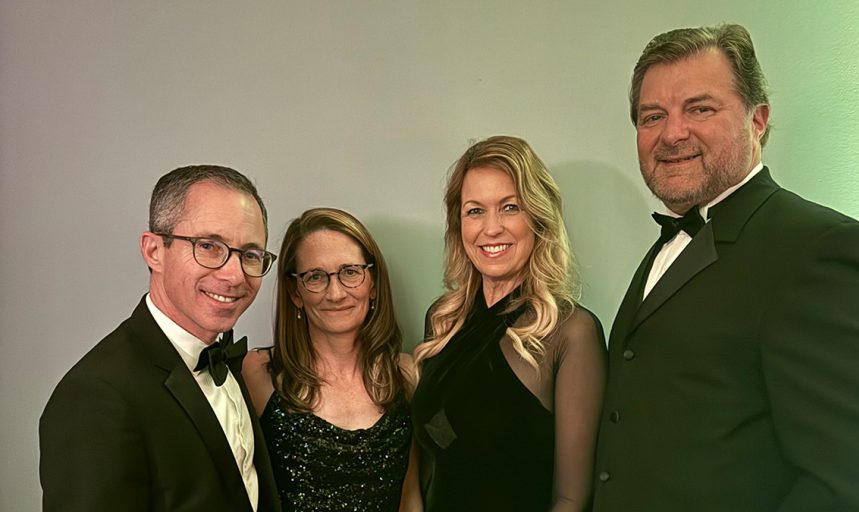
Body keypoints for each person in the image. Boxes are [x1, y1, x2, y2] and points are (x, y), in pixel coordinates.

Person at [594, 23, 859, 511]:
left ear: (757, 119)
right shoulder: (669, 243)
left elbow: (858, 478)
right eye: (652, 116)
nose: (672, 133)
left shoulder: (818, 248)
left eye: (700, 108)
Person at [39, 165, 281, 511]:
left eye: (251, 255)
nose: (234, 274)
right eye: (209, 246)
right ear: (154, 251)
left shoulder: (226, 359)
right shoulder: (96, 396)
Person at [411, 135, 607, 512]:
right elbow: (443, 456)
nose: (491, 228)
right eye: (475, 211)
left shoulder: (571, 333)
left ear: (537, 217)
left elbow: (571, 500)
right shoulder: (442, 321)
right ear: (459, 223)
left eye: (509, 207)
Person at [242, 207, 420, 511]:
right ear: (295, 292)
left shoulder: (407, 375)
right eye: (315, 277)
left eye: (350, 272)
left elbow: (410, 499)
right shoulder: (258, 374)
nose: (335, 293)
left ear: (373, 283)